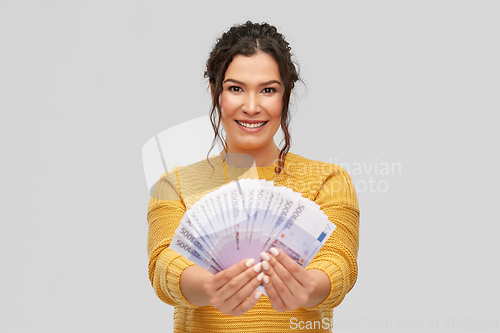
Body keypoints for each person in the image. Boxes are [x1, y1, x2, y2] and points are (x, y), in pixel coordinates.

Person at [146, 21, 360, 332]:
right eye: (235, 88)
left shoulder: (328, 180)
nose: (251, 106)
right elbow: (163, 266)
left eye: (268, 90)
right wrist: (211, 288)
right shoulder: (174, 186)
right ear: (215, 92)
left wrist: (308, 287)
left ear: (285, 96)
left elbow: (339, 263)